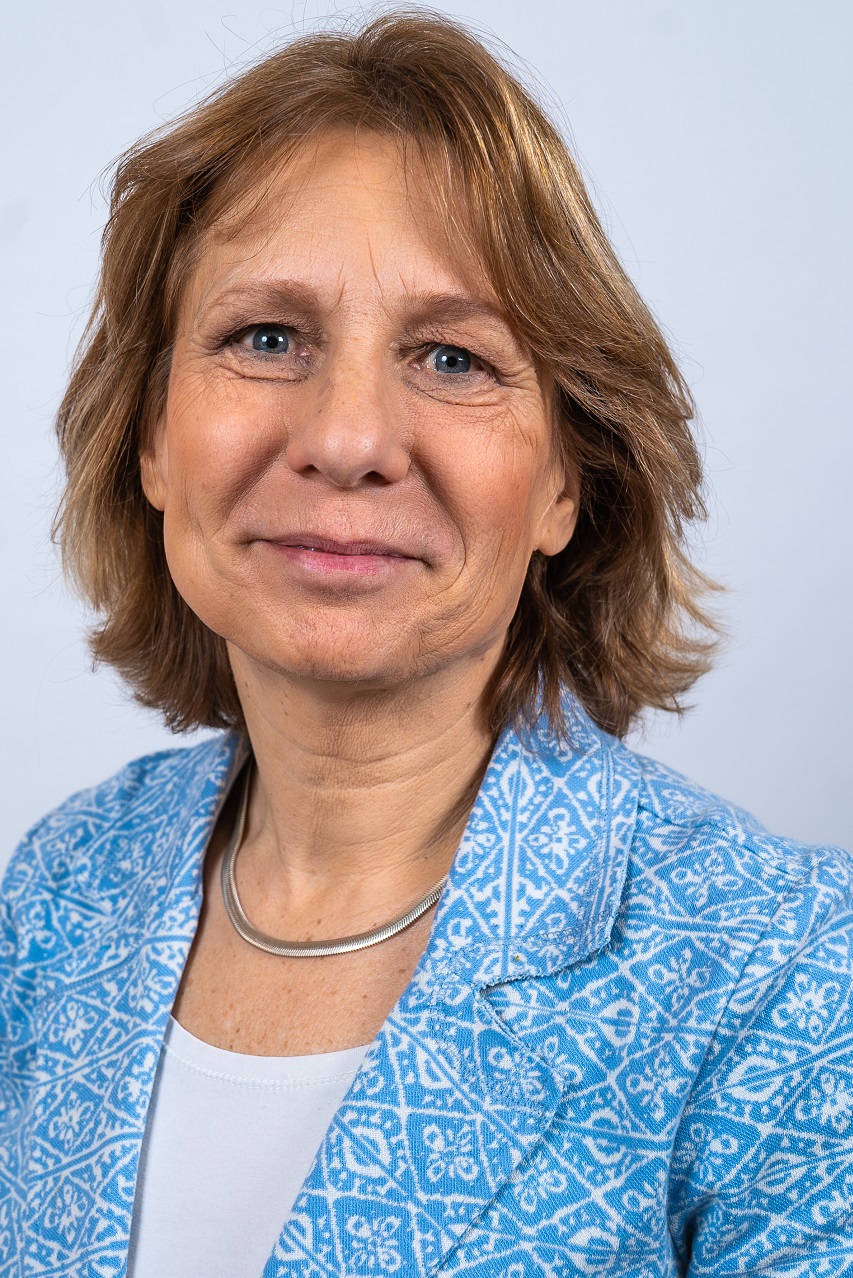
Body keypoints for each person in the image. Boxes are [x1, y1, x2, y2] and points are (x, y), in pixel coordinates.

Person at [2, 12, 851, 1277]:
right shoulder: (61, 892)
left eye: (453, 357)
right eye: (266, 338)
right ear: (151, 441)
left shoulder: (783, 970)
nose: (347, 440)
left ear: (566, 483)